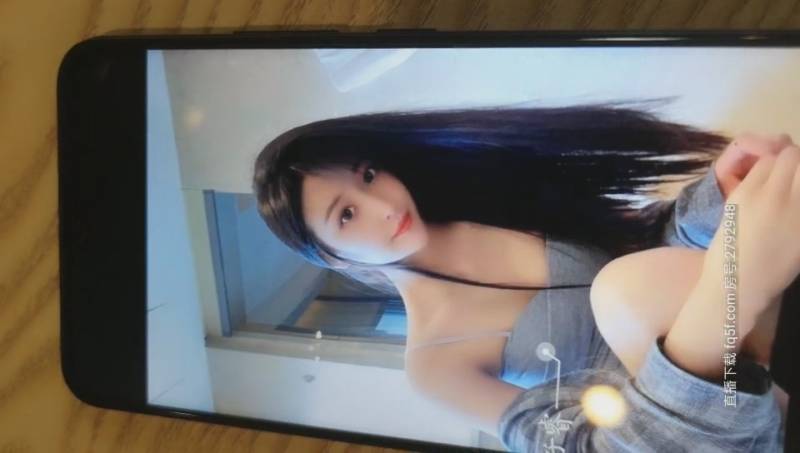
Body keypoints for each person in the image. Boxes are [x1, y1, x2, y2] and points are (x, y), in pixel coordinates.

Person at [252, 101, 796, 452]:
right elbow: (575, 446)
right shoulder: (434, 363)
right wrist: (732, 289)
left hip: (763, 322)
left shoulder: (489, 203)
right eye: (347, 215)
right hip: (730, 412)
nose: (383, 205)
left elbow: (650, 253)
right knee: (625, 291)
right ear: (331, 257)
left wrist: (716, 196)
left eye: (369, 175)